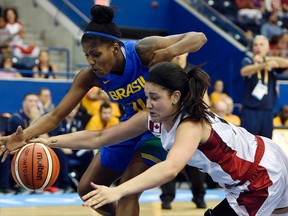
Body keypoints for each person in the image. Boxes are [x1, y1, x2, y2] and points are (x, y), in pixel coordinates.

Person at [0, 4, 207, 216]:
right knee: (87, 189)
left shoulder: (142, 50)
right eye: (87, 55)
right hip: (130, 126)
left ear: (115, 48)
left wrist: (167, 54)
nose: (91, 61)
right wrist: (24, 135)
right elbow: (55, 116)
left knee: (127, 190)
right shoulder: (91, 75)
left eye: (96, 54)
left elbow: (198, 37)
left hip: (159, 128)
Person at [26, 62, 288, 215]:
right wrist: (47, 141)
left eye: (154, 98)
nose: (148, 103)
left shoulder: (190, 124)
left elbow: (171, 167)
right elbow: (101, 136)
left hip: (257, 178)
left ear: (175, 97)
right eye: (147, 96)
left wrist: (117, 190)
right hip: (265, 155)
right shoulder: (152, 117)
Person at [159, 53, 207, 210]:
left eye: (183, 51)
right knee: (169, 162)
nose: (179, 54)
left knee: (197, 164)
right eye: (177, 52)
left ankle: (199, 197)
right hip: (170, 123)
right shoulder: (165, 71)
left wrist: (207, 116)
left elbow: (204, 97)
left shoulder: (193, 71)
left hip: (191, 123)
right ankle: (167, 198)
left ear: (187, 53)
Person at [240, 35, 288, 139]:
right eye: (255, 45)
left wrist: (265, 59)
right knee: (249, 143)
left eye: (261, 45)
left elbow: (285, 63)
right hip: (250, 111)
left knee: (267, 145)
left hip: (268, 111)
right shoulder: (248, 60)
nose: (258, 47)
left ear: (267, 48)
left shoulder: (271, 61)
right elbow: (244, 71)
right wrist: (263, 64)